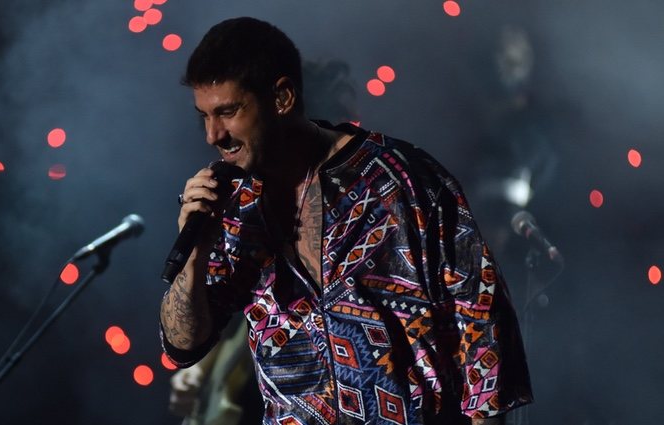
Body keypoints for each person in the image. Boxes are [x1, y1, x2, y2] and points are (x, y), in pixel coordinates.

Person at [160, 17, 532, 425]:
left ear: (282, 98)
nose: (213, 135)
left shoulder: (405, 181)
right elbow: (183, 345)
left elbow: (483, 321)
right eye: (204, 116)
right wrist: (196, 252)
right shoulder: (233, 206)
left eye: (228, 112)